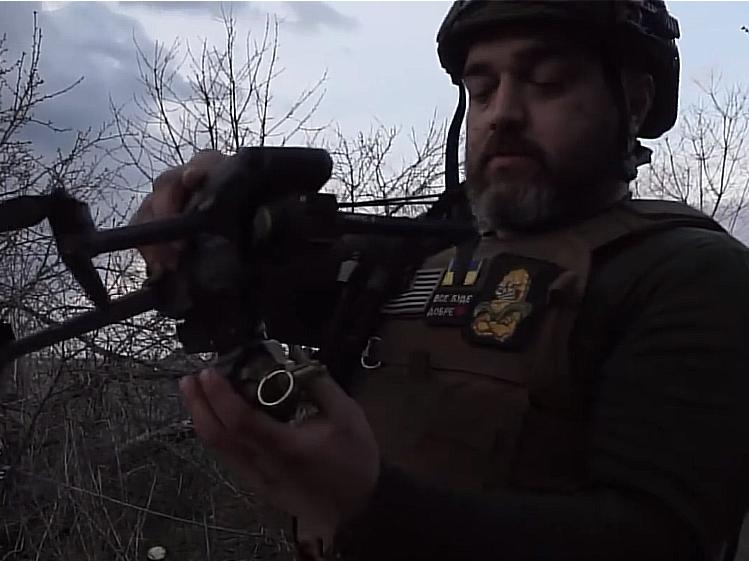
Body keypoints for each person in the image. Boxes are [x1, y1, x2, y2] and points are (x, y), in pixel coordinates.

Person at [132, 1, 749, 560]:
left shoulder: (686, 273)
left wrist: (370, 505)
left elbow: (656, 538)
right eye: (481, 89)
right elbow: (269, 285)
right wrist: (208, 216)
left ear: (634, 102)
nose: (503, 113)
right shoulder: (415, 257)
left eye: (547, 82)